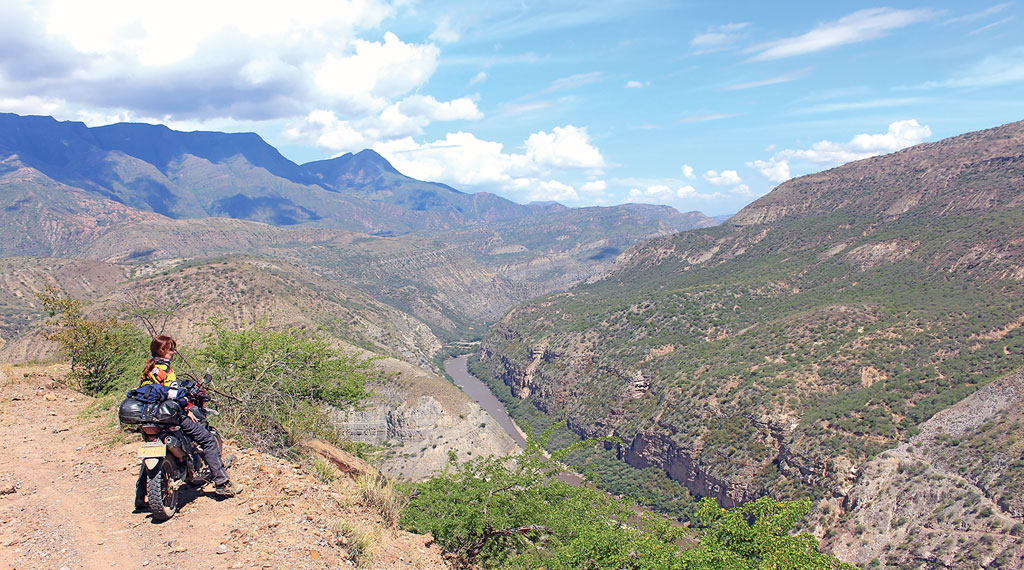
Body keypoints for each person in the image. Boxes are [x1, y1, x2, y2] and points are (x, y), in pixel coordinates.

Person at [140, 335, 241, 497]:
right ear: (162, 350)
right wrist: (186, 408)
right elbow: (171, 394)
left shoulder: (148, 369)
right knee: (207, 440)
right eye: (171, 349)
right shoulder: (165, 371)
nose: (174, 352)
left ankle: (140, 495)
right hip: (167, 416)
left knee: (151, 451)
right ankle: (222, 482)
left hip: (150, 416)